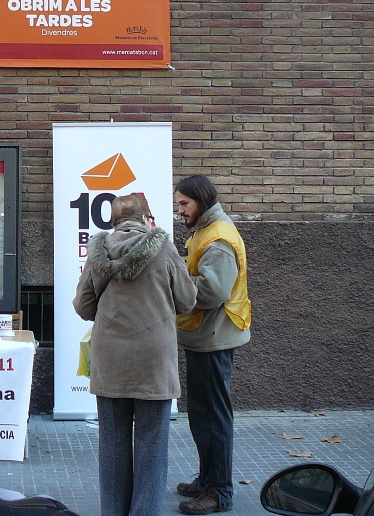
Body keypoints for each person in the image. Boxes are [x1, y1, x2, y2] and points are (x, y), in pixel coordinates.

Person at [73, 193, 197, 516]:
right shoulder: (164, 247)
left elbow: (82, 306)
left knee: (112, 444)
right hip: (154, 361)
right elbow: (187, 300)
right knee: (151, 445)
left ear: (113, 222)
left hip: (111, 360)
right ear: (145, 219)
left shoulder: (98, 251)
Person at [173, 176, 252, 515]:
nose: (180, 210)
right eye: (178, 204)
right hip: (206, 336)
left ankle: (219, 492)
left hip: (214, 338)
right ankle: (208, 479)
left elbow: (212, 292)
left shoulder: (218, 238)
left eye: (184, 204)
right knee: (203, 414)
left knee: (214, 417)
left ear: (201, 201)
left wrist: (175, 281)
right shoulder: (206, 230)